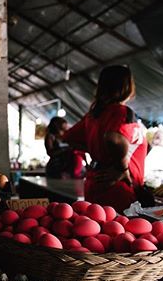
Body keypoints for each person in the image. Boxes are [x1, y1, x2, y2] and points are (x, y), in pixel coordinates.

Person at [63, 65, 149, 211]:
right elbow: (113, 138)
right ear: (128, 87)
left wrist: (94, 150)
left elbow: (69, 137)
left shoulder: (93, 115)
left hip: (95, 183)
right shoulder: (122, 112)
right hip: (118, 189)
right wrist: (122, 168)